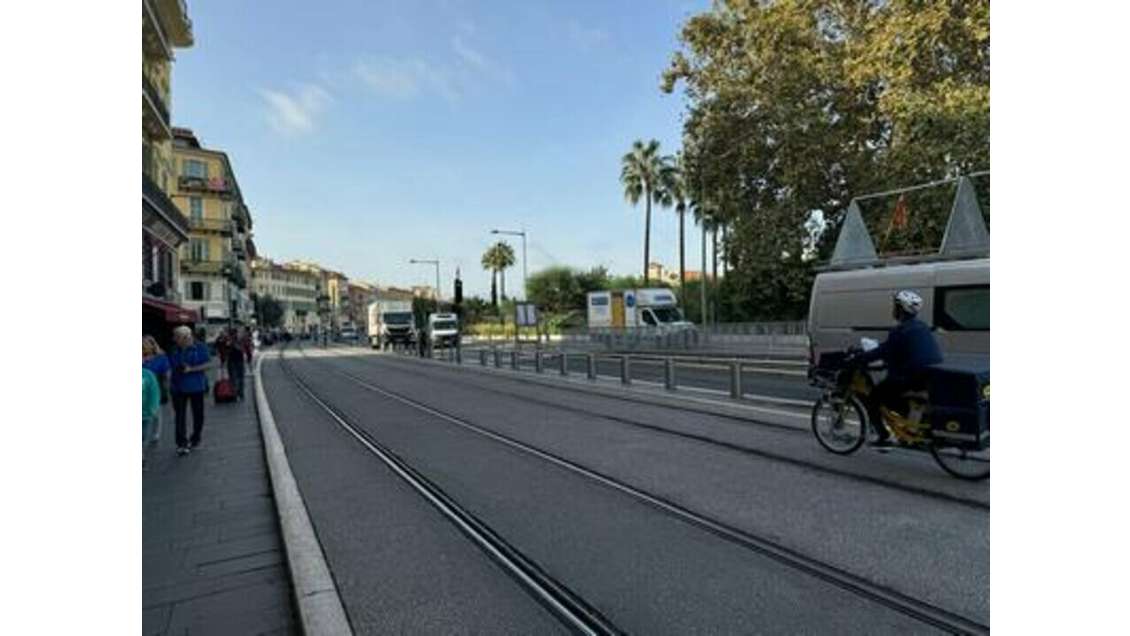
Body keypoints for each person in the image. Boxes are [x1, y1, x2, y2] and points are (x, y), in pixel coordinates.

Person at [853, 290, 943, 446]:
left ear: (900, 310)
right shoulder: (921, 326)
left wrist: (859, 358)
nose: (893, 310)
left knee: (874, 397)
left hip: (911, 377)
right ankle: (913, 423)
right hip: (929, 374)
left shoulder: (899, 330)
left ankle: (883, 436)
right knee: (892, 392)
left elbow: (885, 351)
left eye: (895, 306)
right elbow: (899, 350)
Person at [168, 325, 211, 456]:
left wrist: (191, 369)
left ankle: (195, 438)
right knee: (180, 416)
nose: (175, 339)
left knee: (198, 415)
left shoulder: (200, 347)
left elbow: (208, 364)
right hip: (178, 387)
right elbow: (171, 365)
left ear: (186, 337)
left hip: (196, 386)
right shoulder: (175, 349)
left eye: (177, 337)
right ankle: (181, 443)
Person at [142, 335, 171, 452]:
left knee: (156, 411)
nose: (144, 346)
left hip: (156, 386)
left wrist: (167, 385)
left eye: (146, 343)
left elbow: (166, 372)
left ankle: (155, 433)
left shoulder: (160, 357)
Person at [142, 367, 161, 471]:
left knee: (143, 436)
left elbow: (154, 392)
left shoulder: (147, 374)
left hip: (144, 413)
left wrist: (153, 407)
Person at [224, 327, 247, 401]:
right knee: (233, 379)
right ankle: (235, 395)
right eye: (232, 334)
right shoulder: (228, 340)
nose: (235, 335)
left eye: (235, 334)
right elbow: (225, 350)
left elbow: (242, 349)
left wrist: (234, 344)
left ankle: (241, 394)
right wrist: (229, 344)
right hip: (231, 361)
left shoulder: (241, 340)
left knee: (240, 378)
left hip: (240, 361)